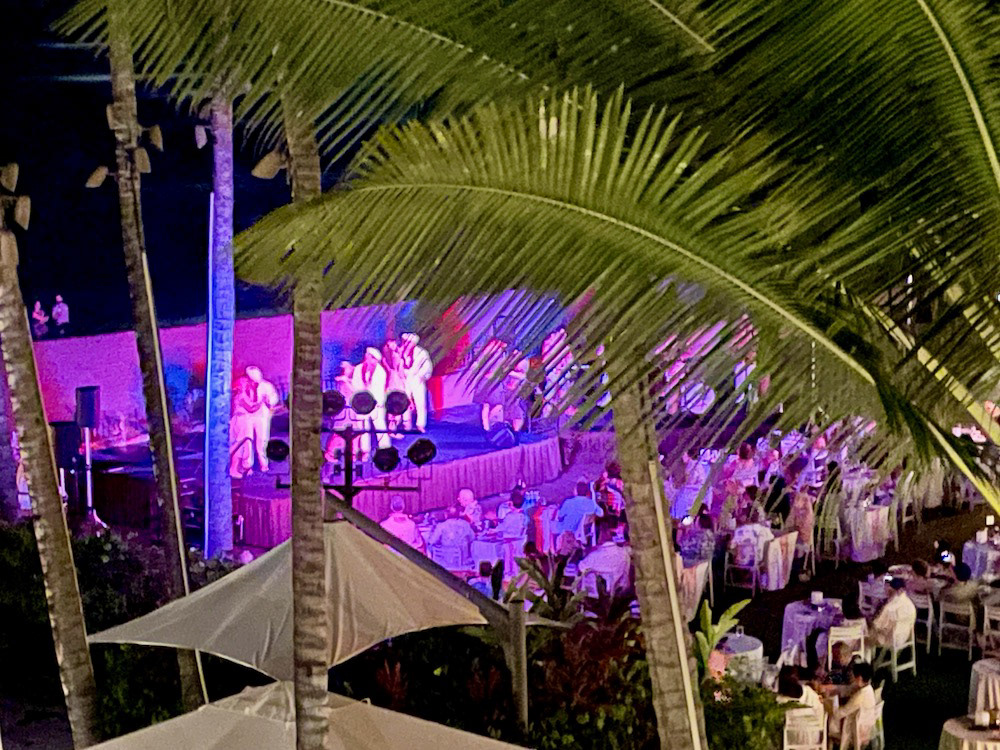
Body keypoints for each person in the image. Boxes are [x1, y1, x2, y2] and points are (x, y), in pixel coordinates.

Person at [351, 347, 390, 459]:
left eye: (372, 358)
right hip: (361, 403)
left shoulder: (380, 372)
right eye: (367, 356)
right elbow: (355, 385)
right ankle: (365, 451)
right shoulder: (358, 369)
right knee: (363, 428)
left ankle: (385, 449)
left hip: (376, 404)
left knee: (380, 427)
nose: (368, 359)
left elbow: (378, 390)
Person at [827, 661, 877, 748]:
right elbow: (847, 689)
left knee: (828, 720)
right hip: (866, 723)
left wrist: (830, 706)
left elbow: (841, 712)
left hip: (856, 727)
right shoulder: (868, 688)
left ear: (859, 678)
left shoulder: (860, 696)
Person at [245, 366, 280, 473]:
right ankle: (247, 466)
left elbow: (274, 399)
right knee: (247, 441)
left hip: (262, 416)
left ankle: (264, 465)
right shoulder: (244, 386)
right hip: (248, 416)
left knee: (262, 440)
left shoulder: (267, 386)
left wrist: (268, 400)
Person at [577, 526, 632, 595]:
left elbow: (581, 568)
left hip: (598, 595)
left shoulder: (593, 556)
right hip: (621, 593)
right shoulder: (624, 552)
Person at [870, 577, 917, 650]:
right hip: (904, 636)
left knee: (864, 636)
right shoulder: (910, 604)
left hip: (890, 639)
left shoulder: (890, 608)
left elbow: (878, 626)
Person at [228, 372, 260, 478]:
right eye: (245, 382)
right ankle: (234, 468)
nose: (247, 383)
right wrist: (261, 403)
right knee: (241, 444)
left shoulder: (242, 395)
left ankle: (240, 468)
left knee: (243, 444)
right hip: (242, 420)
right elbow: (251, 408)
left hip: (240, 419)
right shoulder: (241, 396)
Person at [400, 332, 433, 432]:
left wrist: (421, 376)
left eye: (409, 342)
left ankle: (420, 424)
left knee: (420, 402)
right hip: (404, 379)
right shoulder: (400, 351)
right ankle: (406, 424)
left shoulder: (422, 353)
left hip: (417, 379)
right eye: (405, 342)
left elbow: (427, 366)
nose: (407, 344)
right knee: (405, 401)